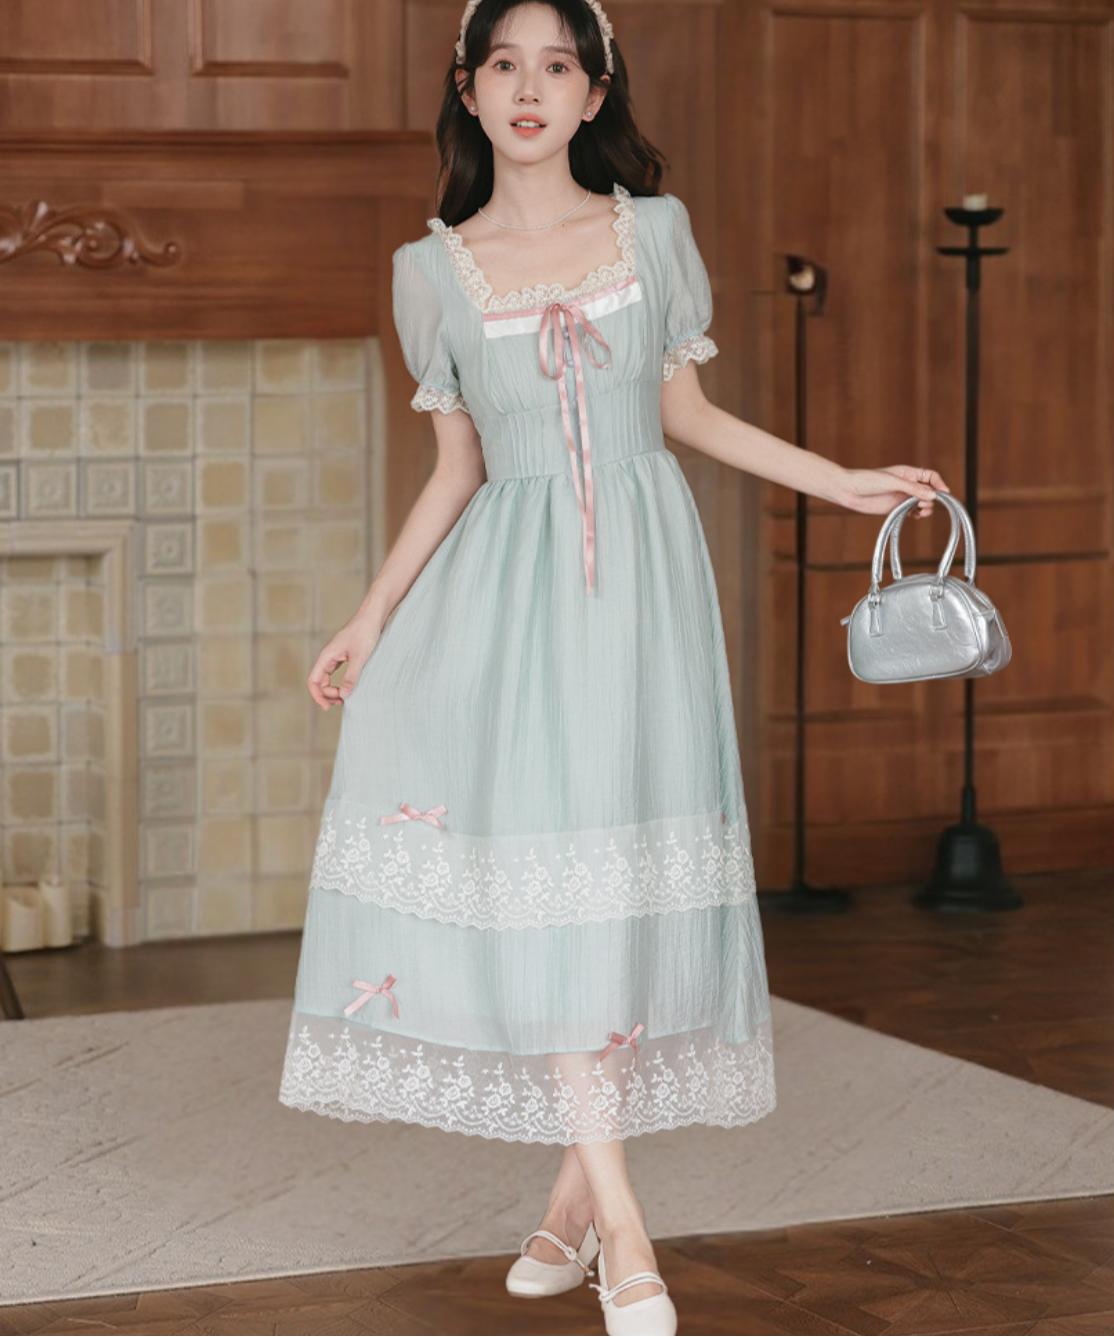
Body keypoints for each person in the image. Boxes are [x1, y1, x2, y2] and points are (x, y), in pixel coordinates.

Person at [279, 2, 951, 1332]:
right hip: (502, 609)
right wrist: (369, 617)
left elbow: (685, 413)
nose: (529, 89)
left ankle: (567, 1207)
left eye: (558, 67)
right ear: (468, 90)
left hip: (641, 599)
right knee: (555, 900)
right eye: (504, 67)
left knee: (623, 897)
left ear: (594, 95)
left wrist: (841, 484)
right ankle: (628, 1234)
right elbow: (457, 470)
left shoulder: (657, 233)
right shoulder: (432, 270)